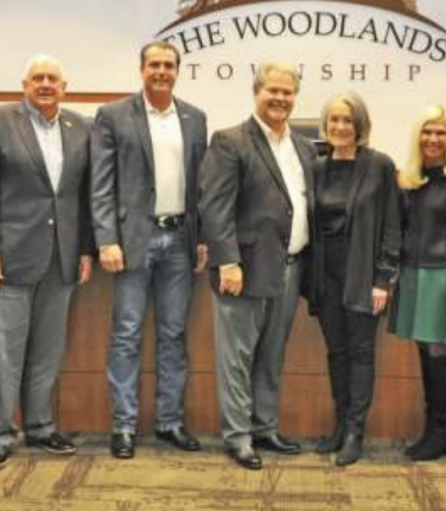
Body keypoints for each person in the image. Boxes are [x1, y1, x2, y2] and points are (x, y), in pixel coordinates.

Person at [0, 54, 94, 470]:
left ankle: (40, 426)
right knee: (6, 352)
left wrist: (84, 250)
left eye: (52, 79)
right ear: (24, 84)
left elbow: (85, 196)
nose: (45, 84)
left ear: (65, 87)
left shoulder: (81, 126)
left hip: (62, 259)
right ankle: (0, 433)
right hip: (9, 258)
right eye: (37, 78)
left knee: (48, 351)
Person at [90, 41, 208, 459]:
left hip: (179, 240)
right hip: (132, 242)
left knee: (174, 335)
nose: (161, 71)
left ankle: (169, 422)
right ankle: (123, 426)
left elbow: (200, 186)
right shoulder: (113, 116)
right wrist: (106, 239)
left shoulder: (195, 118)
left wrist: (202, 238)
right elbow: (101, 184)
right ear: (141, 69)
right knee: (126, 335)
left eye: (168, 65)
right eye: (154, 65)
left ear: (178, 71)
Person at [198, 62, 316, 470]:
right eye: (273, 91)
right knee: (237, 356)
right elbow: (215, 209)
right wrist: (227, 260)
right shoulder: (230, 141)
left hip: (290, 266)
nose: (281, 98)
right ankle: (238, 435)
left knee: (271, 353)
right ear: (256, 92)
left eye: (288, 92)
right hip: (243, 269)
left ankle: (265, 426)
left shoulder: (303, 146)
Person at [306, 91, 399, 466]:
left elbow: (392, 225)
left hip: (363, 275)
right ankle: (339, 425)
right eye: (334, 120)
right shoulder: (317, 166)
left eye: (347, 120)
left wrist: (384, 278)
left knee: (361, 354)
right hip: (325, 276)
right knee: (337, 352)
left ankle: (355, 432)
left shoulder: (379, 165)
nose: (340, 127)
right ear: (325, 126)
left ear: (359, 125)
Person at [389, 105, 446, 462]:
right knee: (425, 352)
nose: (433, 139)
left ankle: (440, 430)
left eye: (441, 132)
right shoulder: (409, 177)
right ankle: (440, 431)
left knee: (438, 353)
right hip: (413, 274)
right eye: (427, 131)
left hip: (445, 274)